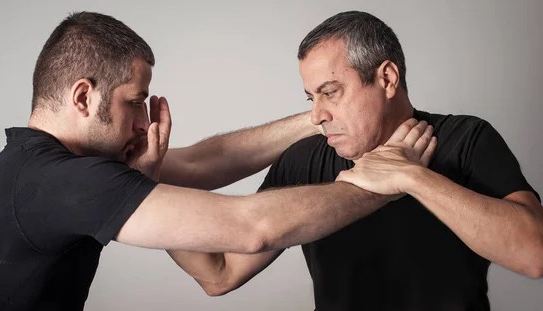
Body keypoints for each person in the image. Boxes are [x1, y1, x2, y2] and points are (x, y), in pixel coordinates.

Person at [0, 11, 435, 311]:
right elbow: (253, 227)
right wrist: (383, 179)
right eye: (135, 102)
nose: (143, 122)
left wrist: (323, 115)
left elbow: (206, 162)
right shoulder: (63, 182)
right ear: (82, 96)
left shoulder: (29, 166)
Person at [168, 10, 543, 311]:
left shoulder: (466, 139)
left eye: (330, 92)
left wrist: (412, 177)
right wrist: (144, 181)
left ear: (388, 78)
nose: (316, 116)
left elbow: (534, 253)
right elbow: (219, 275)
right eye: (310, 98)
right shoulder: (302, 159)